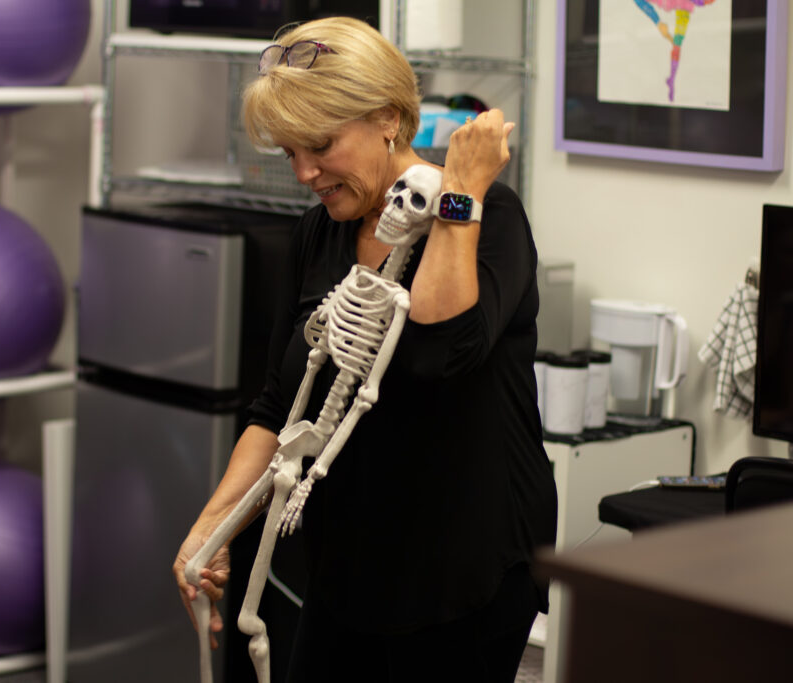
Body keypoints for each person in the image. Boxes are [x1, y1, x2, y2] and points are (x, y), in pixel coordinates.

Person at [173, 16, 557, 682]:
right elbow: (278, 405)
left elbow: (440, 350)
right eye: (290, 152)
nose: (304, 172)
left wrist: (460, 191)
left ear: (386, 117)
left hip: (463, 574)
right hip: (349, 566)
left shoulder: (491, 221)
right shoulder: (320, 232)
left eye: (318, 145)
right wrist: (213, 527)